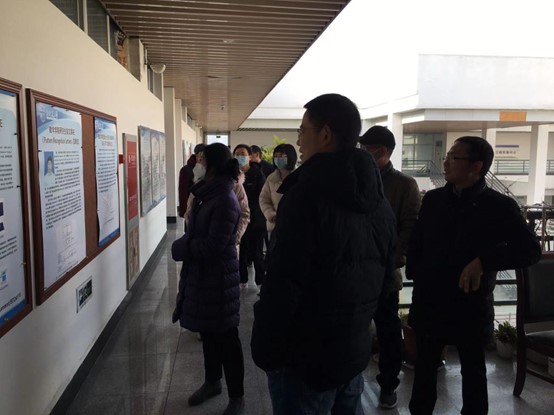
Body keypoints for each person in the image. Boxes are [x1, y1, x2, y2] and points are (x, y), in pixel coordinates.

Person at [251, 93, 397, 415]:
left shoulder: (304, 196)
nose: (299, 141)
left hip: (306, 359)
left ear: (326, 134)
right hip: (352, 352)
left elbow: (284, 282)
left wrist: (266, 347)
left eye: (303, 131)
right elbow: (386, 278)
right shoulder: (378, 200)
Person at [406, 136, 541, 415]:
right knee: (424, 374)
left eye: (453, 157)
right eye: (447, 156)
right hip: (430, 300)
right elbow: (418, 242)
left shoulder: (500, 206)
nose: (445, 162)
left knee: (474, 375)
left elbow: (530, 250)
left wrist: (484, 261)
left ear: (476, 166)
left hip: (470, 303)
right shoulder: (434, 199)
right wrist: (417, 274)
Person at [171, 143, 245, 415]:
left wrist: (183, 247)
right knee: (209, 332)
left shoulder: (225, 199)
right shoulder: (205, 193)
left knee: (227, 338)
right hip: (203, 275)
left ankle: (237, 397)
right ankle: (212, 382)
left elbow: (215, 244)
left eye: (201, 160)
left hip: (220, 278)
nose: (197, 164)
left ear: (213, 166)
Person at [359, 125, 421, 409]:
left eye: (366, 148)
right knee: (353, 328)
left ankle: (388, 385)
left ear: (382, 151)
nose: (362, 153)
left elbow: (410, 227)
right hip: (354, 270)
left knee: (387, 330)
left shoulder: (404, 184)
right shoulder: (356, 177)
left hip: (385, 273)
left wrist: (394, 259)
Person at [233, 144, 266, 289]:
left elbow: (262, 198)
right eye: (237, 154)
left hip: (256, 220)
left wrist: (252, 215)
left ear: (250, 157)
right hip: (239, 220)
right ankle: (242, 280)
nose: (240, 156)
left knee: (256, 252)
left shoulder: (257, 174)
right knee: (241, 252)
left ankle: (261, 282)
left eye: (243, 154)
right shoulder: (233, 175)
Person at [259, 144, 297, 234]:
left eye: (281, 156)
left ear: (291, 157)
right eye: (276, 156)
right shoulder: (271, 178)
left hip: (295, 226)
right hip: (275, 226)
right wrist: (271, 215)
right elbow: (264, 199)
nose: (278, 159)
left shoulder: (299, 176)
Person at [178, 143, 205, 225]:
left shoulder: (207, 168)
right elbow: (183, 192)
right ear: (198, 154)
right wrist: (184, 210)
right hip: (190, 208)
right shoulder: (186, 170)